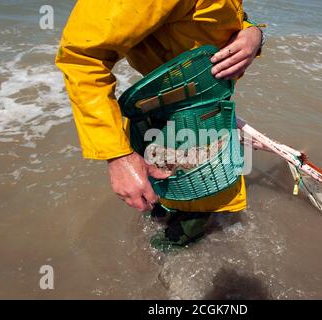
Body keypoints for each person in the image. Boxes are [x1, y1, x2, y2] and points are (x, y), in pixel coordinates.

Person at [56, 0, 264, 248]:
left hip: (211, 111)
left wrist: (254, 34)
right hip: (174, 115)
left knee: (199, 198)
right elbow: (82, 57)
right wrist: (118, 156)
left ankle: (184, 226)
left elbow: (228, 16)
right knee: (184, 204)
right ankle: (177, 241)